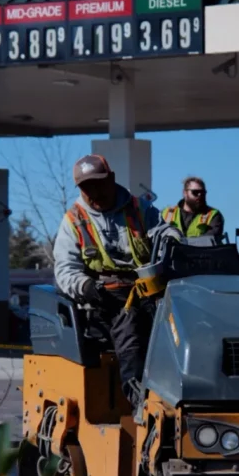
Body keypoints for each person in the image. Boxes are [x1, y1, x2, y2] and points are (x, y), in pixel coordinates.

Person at [53, 154, 178, 408]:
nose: (94, 192)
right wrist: (86, 286)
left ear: (111, 179)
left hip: (149, 290)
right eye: (86, 187)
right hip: (105, 298)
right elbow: (65, 269)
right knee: (130, 322)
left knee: (177, 322)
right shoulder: (74, 220)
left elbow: (165, 231)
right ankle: (139, 398)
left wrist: (172, 240)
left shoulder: (140, 209)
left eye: (98, 184)